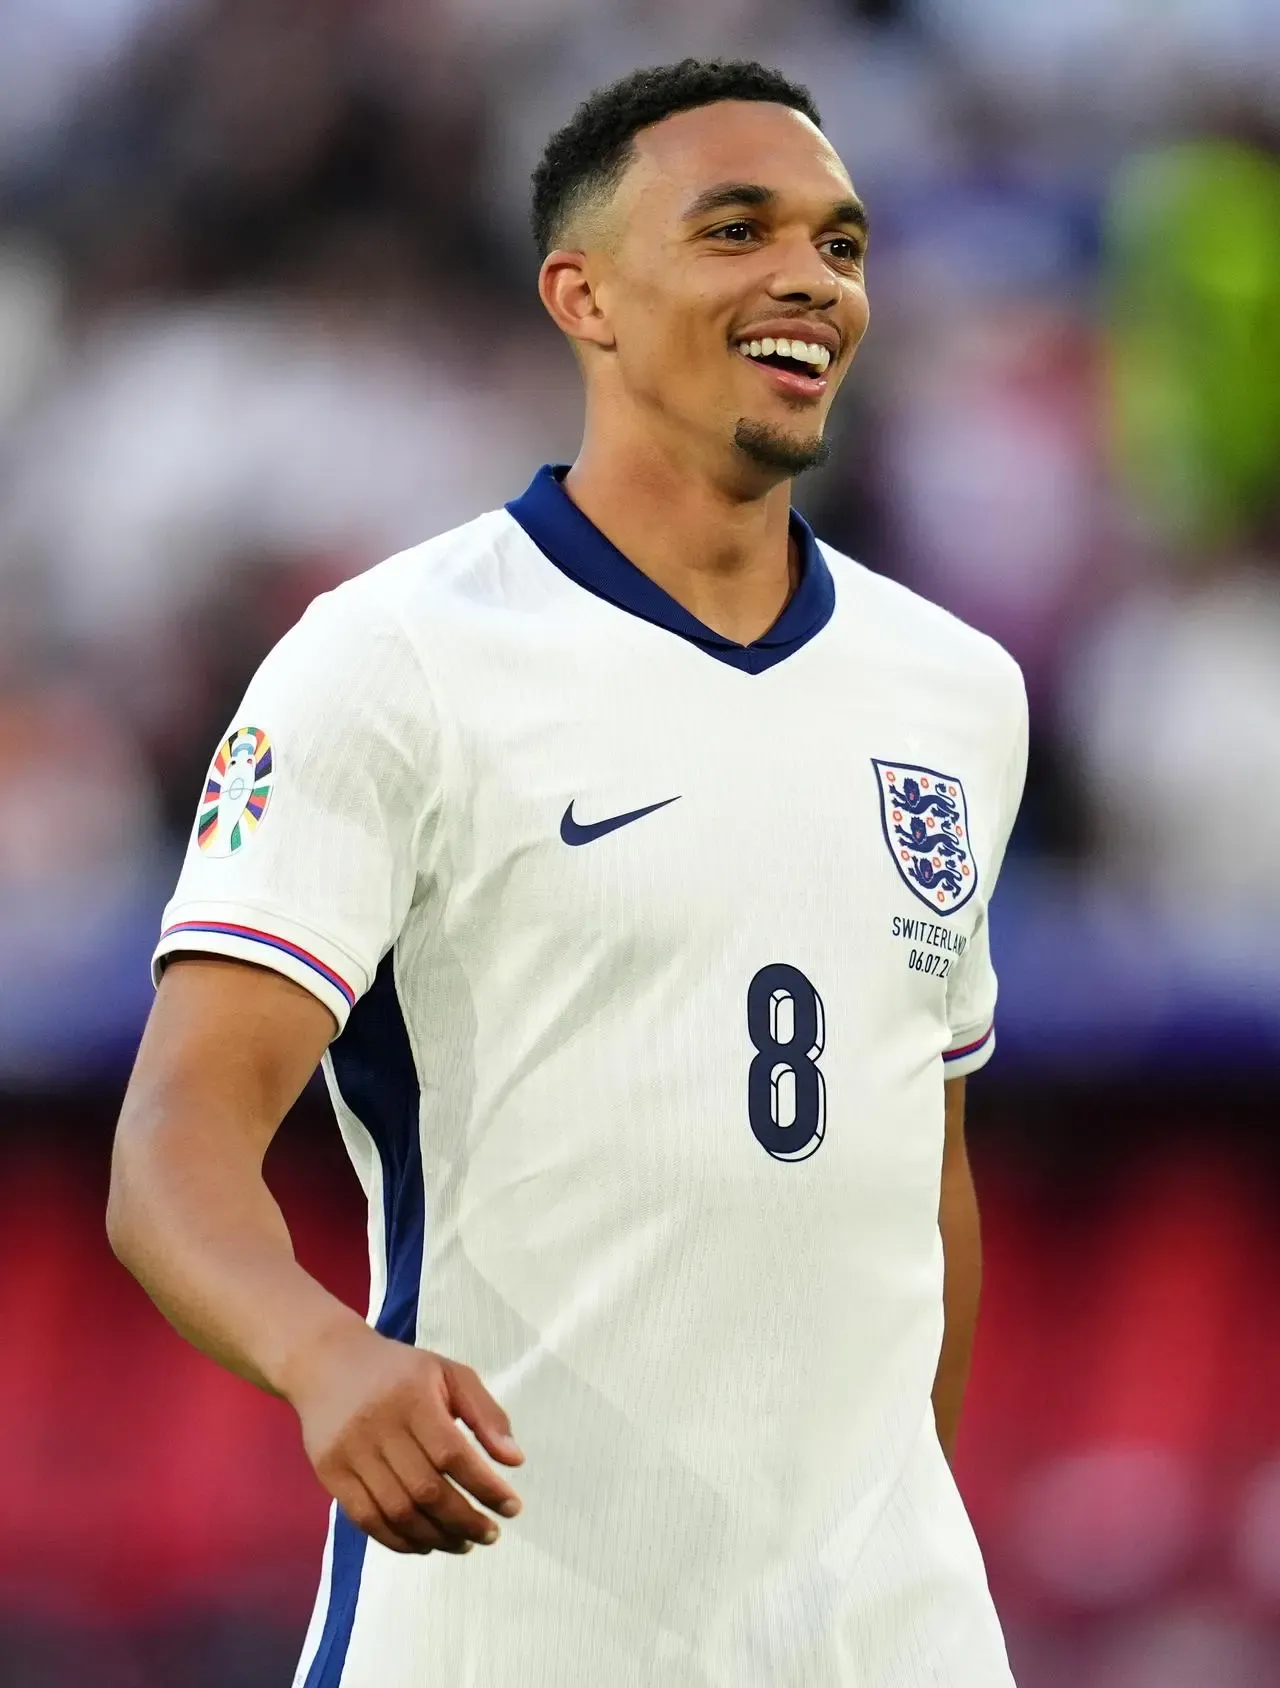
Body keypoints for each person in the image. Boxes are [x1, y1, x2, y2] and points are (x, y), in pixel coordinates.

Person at [108, 58, 1028, 1688]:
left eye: (843, 243)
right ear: (581, 294)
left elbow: (921, 1172)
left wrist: (901, 1555)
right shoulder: (393, 661)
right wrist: (328, 1355)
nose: (810, 277)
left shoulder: (959, 688)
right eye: (738, 229)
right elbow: (176, 1142)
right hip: (510, 1630)